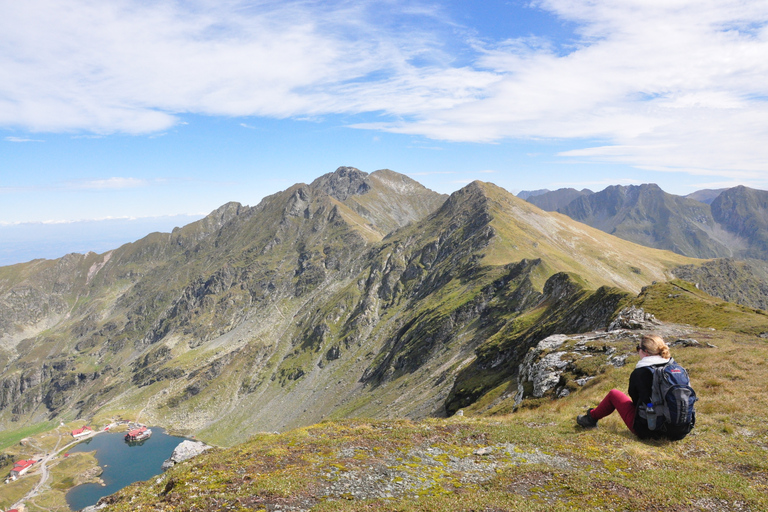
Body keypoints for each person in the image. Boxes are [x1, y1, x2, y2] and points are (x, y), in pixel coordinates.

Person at [576, 334, 691, 440]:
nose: (637, 351)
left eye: (638, 348)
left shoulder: (641, 372)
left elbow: (636, 401)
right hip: (680, 431)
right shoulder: (675, 369)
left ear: (645, 352)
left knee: (614, 394)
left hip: (649, 430)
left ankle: (590, 419)